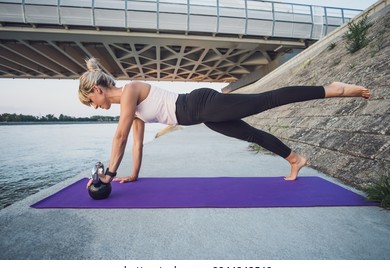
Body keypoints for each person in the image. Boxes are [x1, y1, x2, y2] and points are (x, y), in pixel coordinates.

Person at [78, 57, 371, 186]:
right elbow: (136, 144)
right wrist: (133, 175)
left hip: (204, 104)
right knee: (250, 135)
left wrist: (110, 174)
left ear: (97, 89)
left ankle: (334, 89)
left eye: (91, 101)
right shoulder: (133, 109)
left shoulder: (130, 91)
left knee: (267, 100)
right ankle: (295, 159)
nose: (94, 106)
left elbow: (120, 137)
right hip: (206, 116)